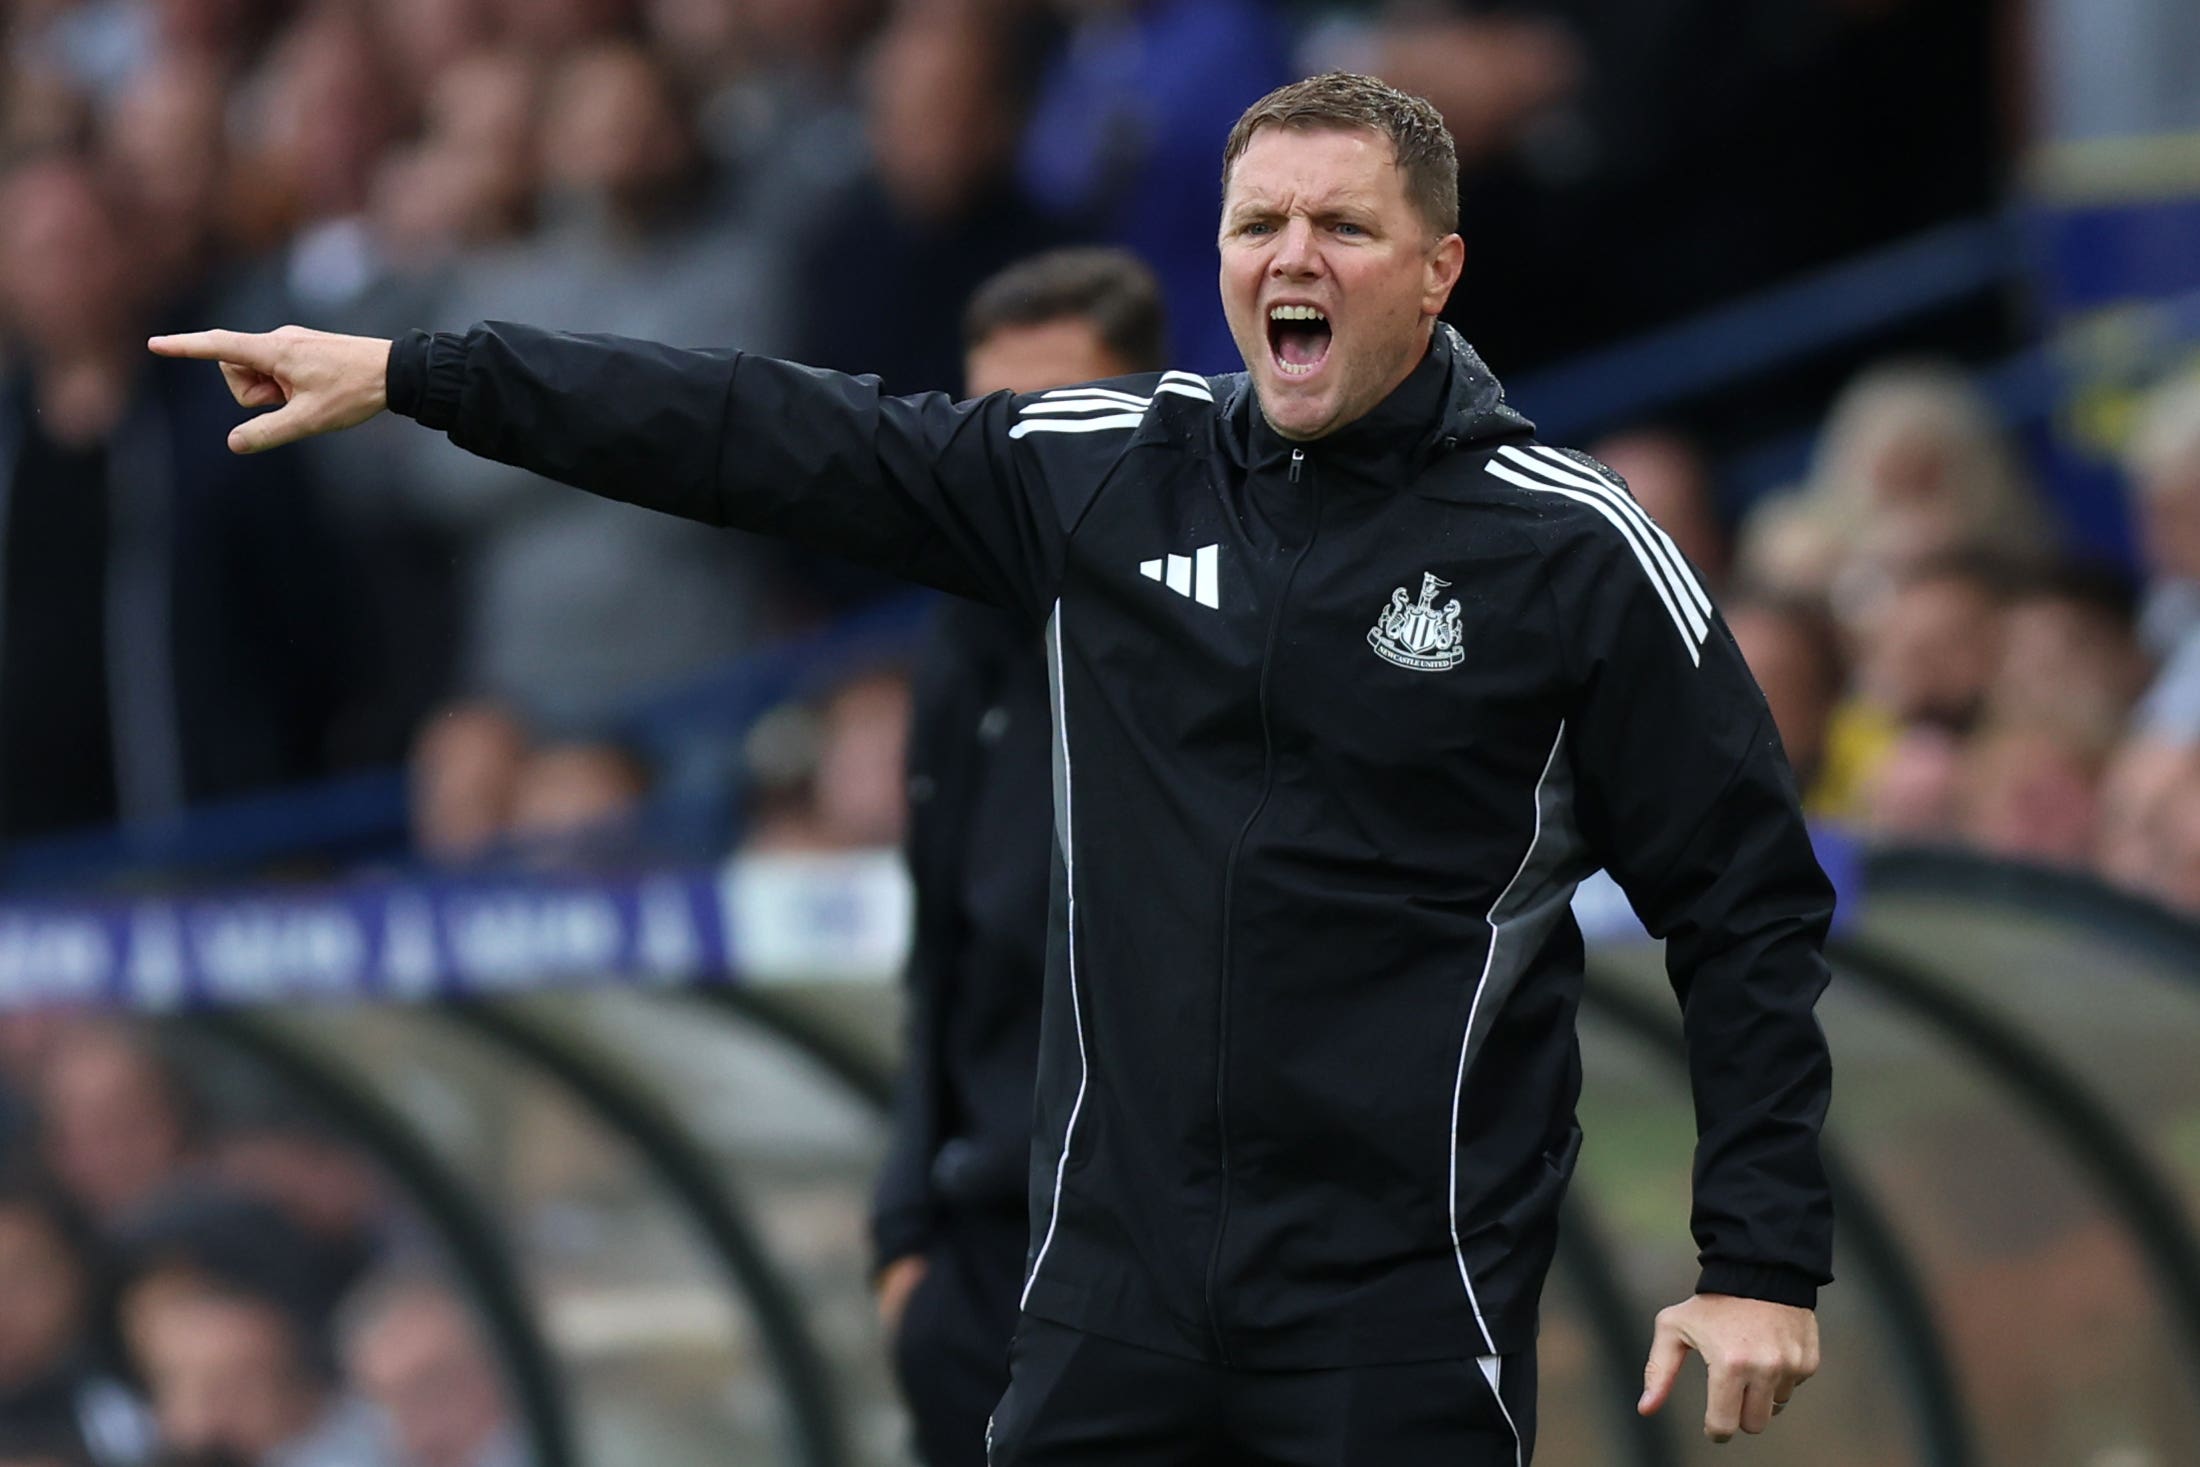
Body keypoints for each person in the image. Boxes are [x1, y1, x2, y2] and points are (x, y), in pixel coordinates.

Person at [152, 71, 1831, 1461]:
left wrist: (1758, 1256)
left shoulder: (1572, 547)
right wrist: (422, 374)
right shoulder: (1107, 475)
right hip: (1110, 1303)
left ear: (1440, 267)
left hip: (1398, 1312)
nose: (1291, 254)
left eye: (1343, 224)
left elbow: (1745, 894)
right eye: (1260, 223)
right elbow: (761, 433)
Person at [871, 248, 1168, 1467]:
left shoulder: (1208, 637)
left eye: (1063, 415)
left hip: (1157, 1269)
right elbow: (937, 953)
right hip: (981, 1261)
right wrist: (904, 1245)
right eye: (997, 420)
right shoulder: (961, 640)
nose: (1024, 455)